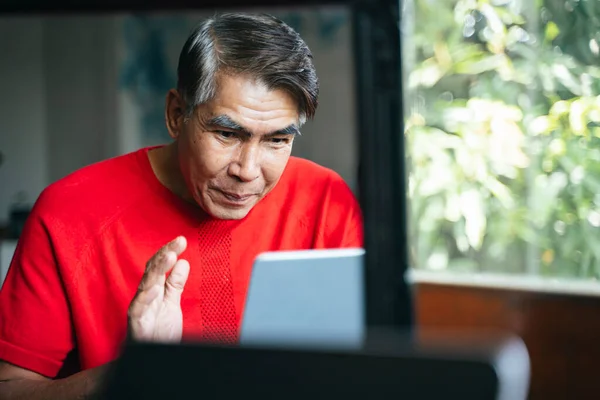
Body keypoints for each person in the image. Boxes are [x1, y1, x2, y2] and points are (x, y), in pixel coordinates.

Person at [0, 12, 363, 400]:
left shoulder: (326, 199)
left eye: (277, 140)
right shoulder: (68, 213)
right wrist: (134, 370)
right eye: (227, 133)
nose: (248, 171)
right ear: (177, 115)